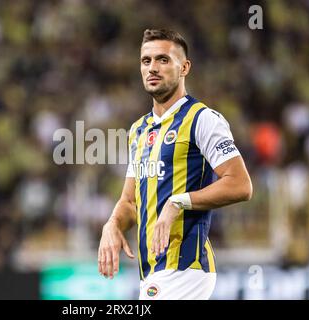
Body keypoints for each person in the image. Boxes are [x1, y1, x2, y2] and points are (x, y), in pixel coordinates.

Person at [98, 29, 253, 300]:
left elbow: (240, 184)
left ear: (185, 67)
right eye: (146, 61)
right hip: (154, 272)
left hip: (185, 268)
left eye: (163, 60)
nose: (152, 68)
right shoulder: (139, 130)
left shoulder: (202, 119)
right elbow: (130, 202)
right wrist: (111, 224)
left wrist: (177, 202)